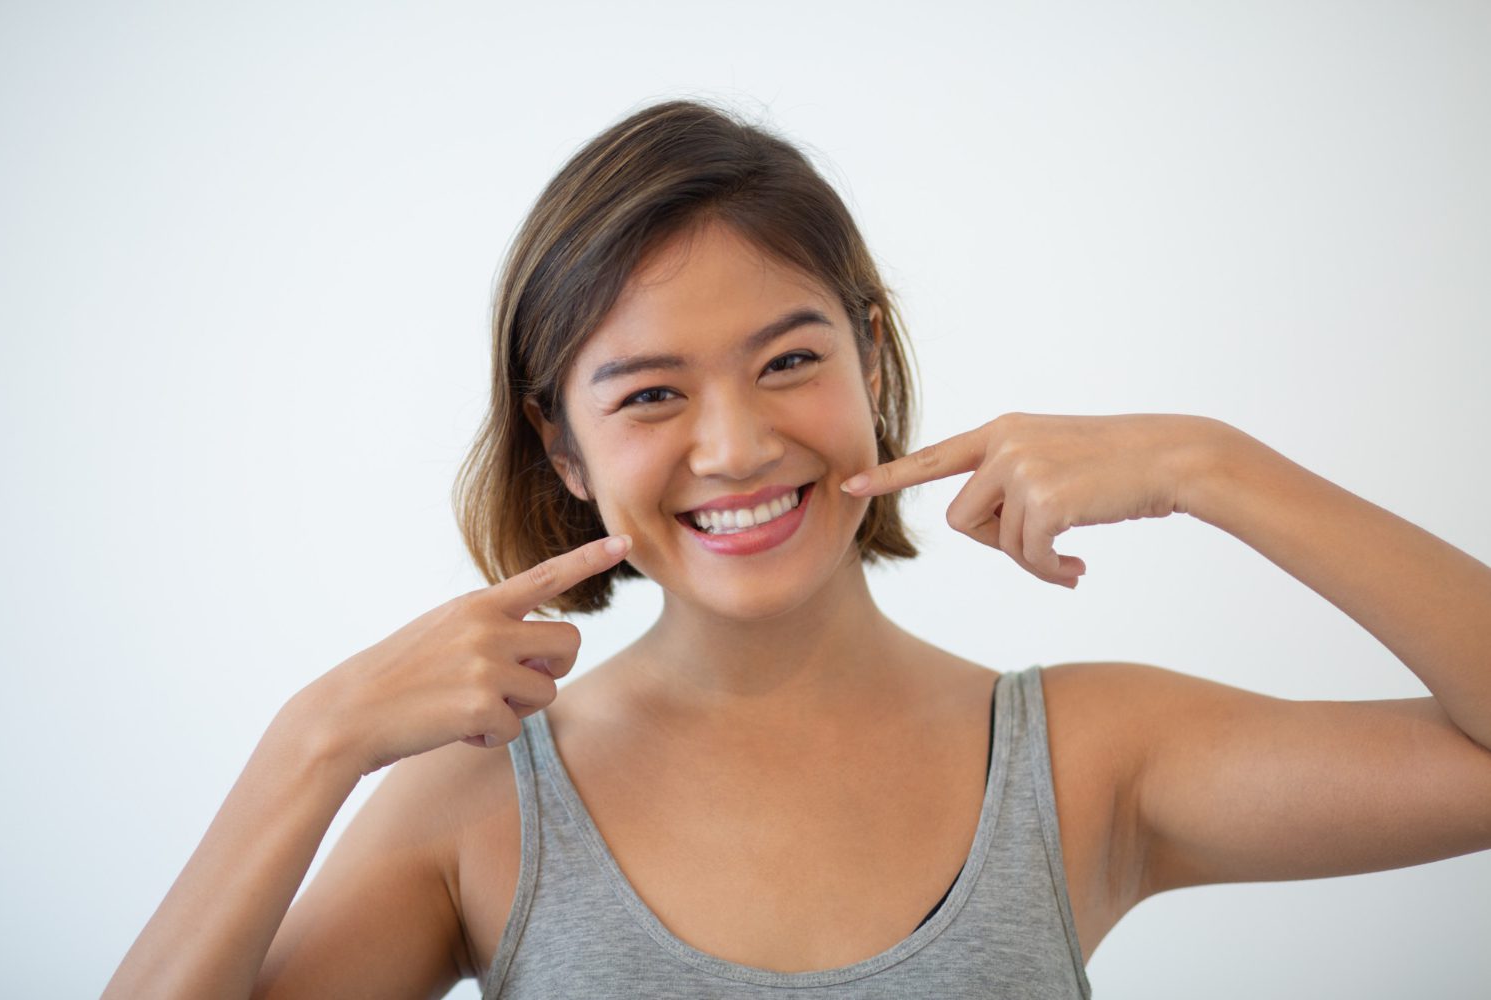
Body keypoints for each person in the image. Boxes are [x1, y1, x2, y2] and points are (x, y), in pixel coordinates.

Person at [104, 98, 1491, 999]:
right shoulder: (482, 808)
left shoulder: (1084, 760)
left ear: (869, 358)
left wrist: (1209, 463)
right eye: (650, 394)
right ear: (562, 448)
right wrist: (314, 739)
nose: (734, 446)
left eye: (788, 361)